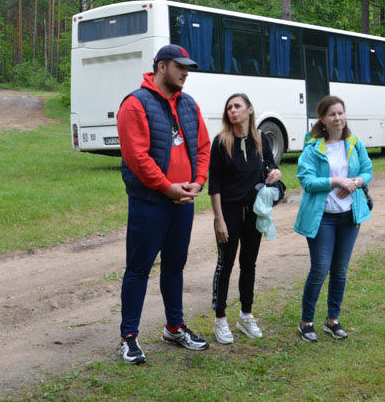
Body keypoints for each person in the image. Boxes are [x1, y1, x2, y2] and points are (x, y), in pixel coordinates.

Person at [116, 44, 211, 364]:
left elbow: (203, 146)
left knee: (174, 266)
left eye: (187, 68)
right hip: (150, 202)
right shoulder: (135, 104)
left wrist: (198, 181)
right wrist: (166, 188)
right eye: (179, 66)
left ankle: (174, 327)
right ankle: (128, 337)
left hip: (183, 201)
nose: (185, 73)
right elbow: (137, 157)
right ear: (161, 66)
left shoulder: (189, 104)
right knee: (138, 269)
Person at [294, 95, 372, 342]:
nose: (338, 118)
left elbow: (367, 171)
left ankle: (332, 320)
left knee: (339, 270)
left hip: (349, 217)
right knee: (320, 269)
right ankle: (306, 322)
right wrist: (336, 181)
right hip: (322, 218)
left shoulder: (354, 143)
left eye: (341, 113)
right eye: (332, 114)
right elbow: (306, 181)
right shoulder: (312, 147)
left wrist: (355, 182)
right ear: (322, 120)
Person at [208, 93, 281, 344]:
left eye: (237, 106)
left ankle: (246, 316)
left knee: (249, 264)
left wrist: (275, 173)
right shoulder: (221, 142)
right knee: (225, 264)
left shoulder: (260, 140)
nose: (232, 111)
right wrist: (219, 219)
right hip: (228, 212)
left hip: (254, 213)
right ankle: (220, 319)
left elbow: (270, 167)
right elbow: (214, 184)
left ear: (250, 110)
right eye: (229, 107)